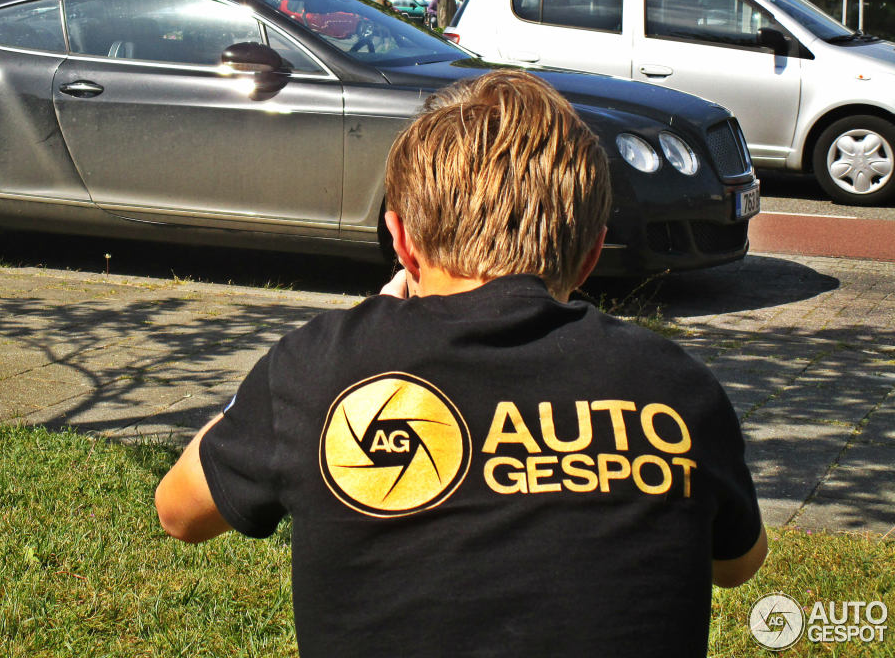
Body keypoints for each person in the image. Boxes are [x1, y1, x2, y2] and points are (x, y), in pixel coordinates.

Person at [156, 69, 766, 658]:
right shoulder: (674, 386)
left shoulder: (318, 367)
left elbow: (178, 511)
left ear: (401, 242)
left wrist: (335, 346)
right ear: (589, 259)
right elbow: (738, 563)